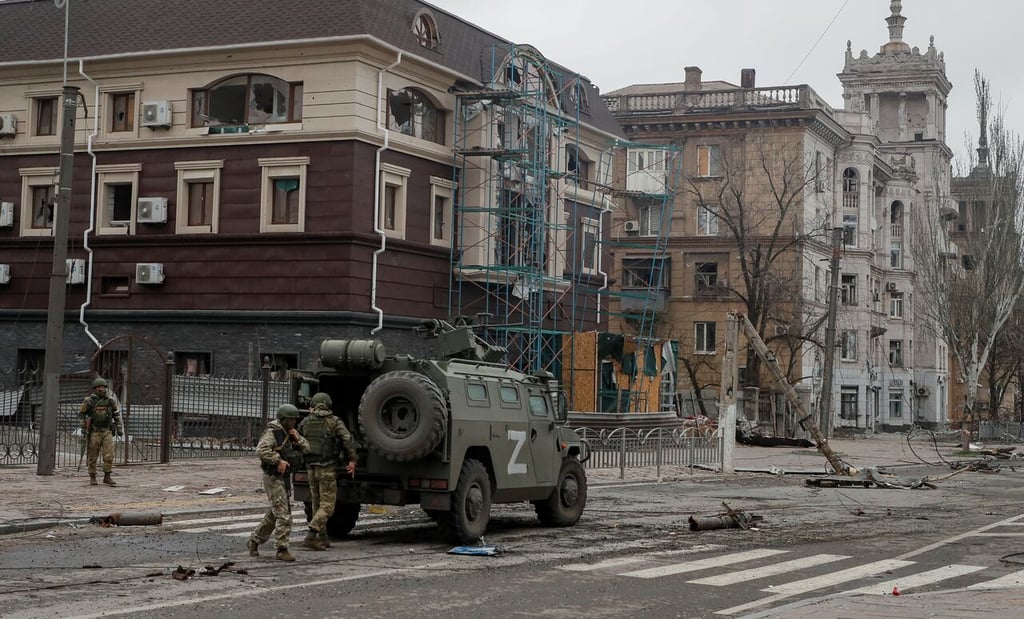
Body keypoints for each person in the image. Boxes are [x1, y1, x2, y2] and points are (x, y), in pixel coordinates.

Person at [248, 403, 309, 562]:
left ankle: (255, 540)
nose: (293, 422)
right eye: (290, 420)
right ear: (283, 419)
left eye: (294, 420)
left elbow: (307, 448)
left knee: (275, 513)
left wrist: (298, 438)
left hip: (284, 478)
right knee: (283, 515)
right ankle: (282, 549)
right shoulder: (273, 432)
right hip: (273, 477)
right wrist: (278, 461)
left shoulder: (291, 432)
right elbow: (261, 450)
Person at [299, 392, 358, 551]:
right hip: (327, 468)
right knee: (327, 506)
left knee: (316, 504)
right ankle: (311, 535)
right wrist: (352, 460)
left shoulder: (306, 421)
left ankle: (323, 539)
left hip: (310, 468)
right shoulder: (334, 421)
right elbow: (347, 440)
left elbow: (298, 440)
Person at [80, 377, 122, 486]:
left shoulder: (110, 401)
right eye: (98, 387)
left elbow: (116, 415)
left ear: (105, 388)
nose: (100, 389)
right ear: (95, 388)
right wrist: (83, 427)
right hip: (95, 431)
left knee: (109, 454)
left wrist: (119, 428)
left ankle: (107, 476)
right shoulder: (89, 401)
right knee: (93, 455)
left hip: (107, 431)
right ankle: (92, 476)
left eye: (102, 387)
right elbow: (82, 414)